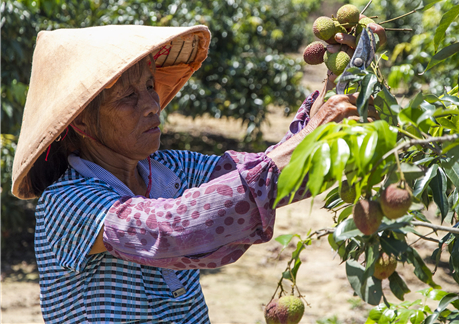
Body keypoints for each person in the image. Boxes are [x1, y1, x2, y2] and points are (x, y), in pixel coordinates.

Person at [11, 22, 385, 323]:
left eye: (148, 86)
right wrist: (300, 144)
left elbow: (268, 176)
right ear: (80, 124)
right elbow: (171, 229)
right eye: (128, 97)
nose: (151, 105)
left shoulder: (169, 169)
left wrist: (341, 85)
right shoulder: (66, 201)